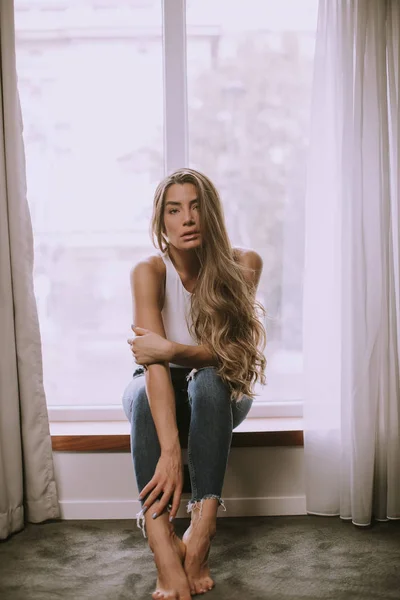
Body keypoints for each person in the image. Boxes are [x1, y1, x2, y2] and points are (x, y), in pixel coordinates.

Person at [122, 168, 267, 600]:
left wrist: (171, 349)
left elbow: (230, 355)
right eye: (174, 209)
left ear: (212, 215)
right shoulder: (149, 271)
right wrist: (170, 452)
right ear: (161, 220)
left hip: (220, 391)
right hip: (156, 384)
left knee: (207, 380)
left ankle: (202, 530)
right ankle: (161, 542)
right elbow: (152, 366)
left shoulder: (244, 264)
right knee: (148, 395)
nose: (187, 218)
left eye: (197, 207)